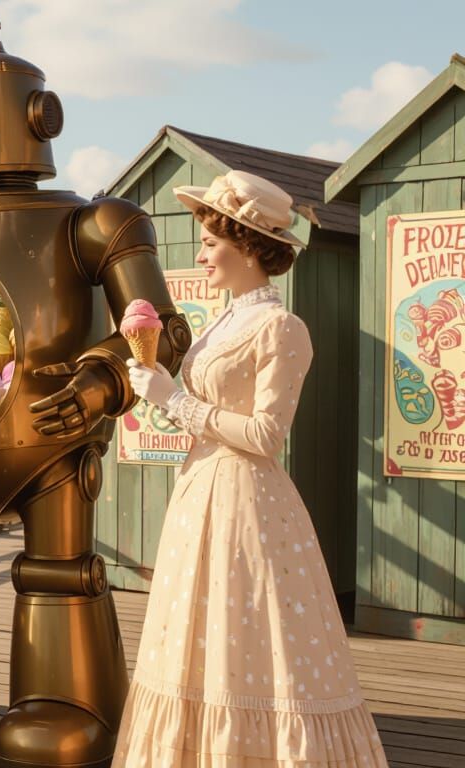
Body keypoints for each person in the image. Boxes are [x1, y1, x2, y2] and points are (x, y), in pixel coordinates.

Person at [115, 171, 387, 766]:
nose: (202, 252)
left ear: (247, 245)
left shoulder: (282, 328)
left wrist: (172, 399)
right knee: (195, 637)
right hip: (200, 494)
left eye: (211, 241)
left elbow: (266, 435)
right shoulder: (222, 320)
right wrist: (154, 382)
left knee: (253, 640)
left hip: (247, 504)